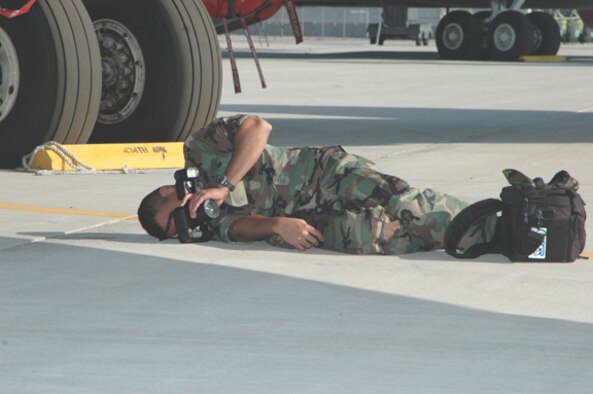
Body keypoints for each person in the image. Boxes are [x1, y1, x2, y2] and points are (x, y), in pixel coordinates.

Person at [138, 114, 492, 254]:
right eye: (179, 232)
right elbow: (242, 228)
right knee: (387, 238)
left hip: (326, 174)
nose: (191, 222)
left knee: (407, 204)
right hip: (314, 219)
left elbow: (258, 128)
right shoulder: (210, 221)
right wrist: (276, 224)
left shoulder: (199, 149)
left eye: (178, 218)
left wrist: (225, 185)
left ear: (170, 192)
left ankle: (503, 221)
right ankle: (490, 236)